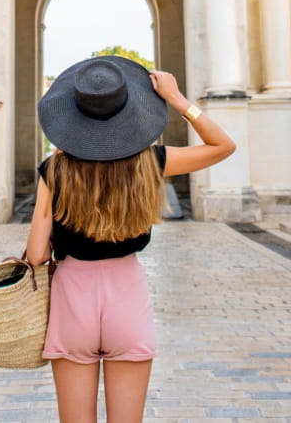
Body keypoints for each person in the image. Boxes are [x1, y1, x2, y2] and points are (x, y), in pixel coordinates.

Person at [24, 57, 236, 423]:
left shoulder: (54, 169)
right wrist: (177, 98)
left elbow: (36, 254)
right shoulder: (150, 162)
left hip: (72, 298)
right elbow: (223, 146)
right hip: (127, 295)